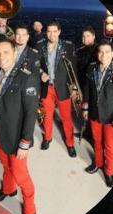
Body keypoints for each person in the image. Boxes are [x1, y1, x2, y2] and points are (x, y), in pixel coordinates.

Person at [0, 38, 39, 214]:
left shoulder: (27, 78)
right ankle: (8, 190)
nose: (2, 57)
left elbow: (31, 114)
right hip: (0, 134)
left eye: (6, 52)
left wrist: (25, 143)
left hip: (18, 139)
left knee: (22, 177)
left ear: (15, 54)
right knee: (5, 166)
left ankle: (29, 213)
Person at [82, 40, 113, 187]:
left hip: (111, 116)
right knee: (97, 141)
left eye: (107, 52)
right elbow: (87, 90)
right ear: (97, 54)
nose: (104, 55)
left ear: (112, 54)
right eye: (101, 52)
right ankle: (97, 163)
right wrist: (85, 108)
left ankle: (108, 172)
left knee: (109, 145)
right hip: (95, 114)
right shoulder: (91, 68)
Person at [37, 20, 77, 157]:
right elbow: (35, 65)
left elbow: (73, 70)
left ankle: (70, 144)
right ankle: (47, 138)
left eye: (55, 31)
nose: (52, 34)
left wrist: (74, 89)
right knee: (47, 116)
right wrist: (41, 73)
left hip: (63, 87)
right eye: (49, 31)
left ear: (59, 32)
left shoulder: (68, 46)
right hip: (46, 87)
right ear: (46, 32)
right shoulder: (40, 46)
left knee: (66, 118)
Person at [75, 26, 97, 90]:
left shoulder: (99, 50)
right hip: (80, 84)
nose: (85, 38)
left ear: (93, 36)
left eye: (88, 36)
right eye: (83, 36)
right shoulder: (79, 51)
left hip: (93, 85)